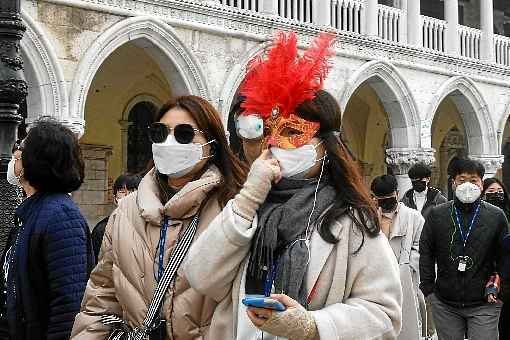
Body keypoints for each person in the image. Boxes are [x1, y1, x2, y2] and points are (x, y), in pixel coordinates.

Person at [184, 31, 402, 340]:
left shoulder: (351, 221)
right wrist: (248, 198)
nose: (272, 143)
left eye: (290, 131)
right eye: (266, 131)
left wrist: (314, 327)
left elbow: (384, 313)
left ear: (325, 145)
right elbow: (201, 277)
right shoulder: (246, 210)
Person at [71, 95, 247, 339]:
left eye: (185, 134)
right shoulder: (126, 211)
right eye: (160, 133)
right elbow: (101, 296)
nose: (169, 142)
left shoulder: (233, 209)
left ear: (212, 144)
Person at [0, 119, 94, 340]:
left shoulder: (60, 215)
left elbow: (68, 304)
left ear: (36, 159)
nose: (15, 154)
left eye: (20, 148)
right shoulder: (32, 211)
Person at [419, 158, 508, 340]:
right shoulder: (438, 214)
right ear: (453, 183)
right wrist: (428, 288)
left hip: (485, 301)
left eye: (474, 180)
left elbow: (505, 256)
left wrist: (503, 290)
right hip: (445, 301)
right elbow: (426, 251)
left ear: (482, 183)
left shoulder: (496, 216)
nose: (468, 185)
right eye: (462, 179)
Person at [371, 174, 426, 340]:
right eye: (381, 199)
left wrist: (407, 266)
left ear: (397, 193)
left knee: (406, 327)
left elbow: (421, 247)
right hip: (375, 281)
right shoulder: (367, 218)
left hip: (405, 281)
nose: (386, 202)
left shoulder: (413, 217)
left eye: (389, 197)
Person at [481, 177, 510, 339]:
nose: (496, 195)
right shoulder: (479, 218)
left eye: (500, 192)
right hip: (489, 278)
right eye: (490, 192)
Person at [90, 173, 141, 261]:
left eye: (133, 192)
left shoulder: (150, 227)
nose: (128, 196)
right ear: (115, 198)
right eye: (122, 192)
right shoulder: (102, 229)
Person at [231, 96, 264, 165]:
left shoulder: (279, 162)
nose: (248, 117)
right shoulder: (232, 166)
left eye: (254, 110)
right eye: (242, 110)